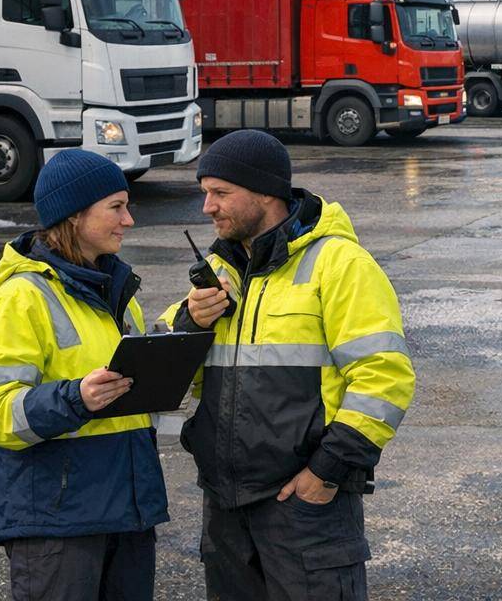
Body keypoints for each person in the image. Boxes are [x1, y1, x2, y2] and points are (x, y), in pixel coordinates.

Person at [168, 129, 415, 600]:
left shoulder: (340, 264)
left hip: (304, 508)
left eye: (221, 193)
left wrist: (328, 471)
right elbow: (166, 366)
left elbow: (384, 377)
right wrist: (191, 320)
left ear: (265, 192)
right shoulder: (223, 270)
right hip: (225, 508)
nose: (208, 208)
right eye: (205, 194)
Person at [0, 149, 166, 601]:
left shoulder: (116, 293)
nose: (129, 220)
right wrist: (75, 398)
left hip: (128, 513)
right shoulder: (19, 300)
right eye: (116, 207)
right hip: (58, 525)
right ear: (75, 216)